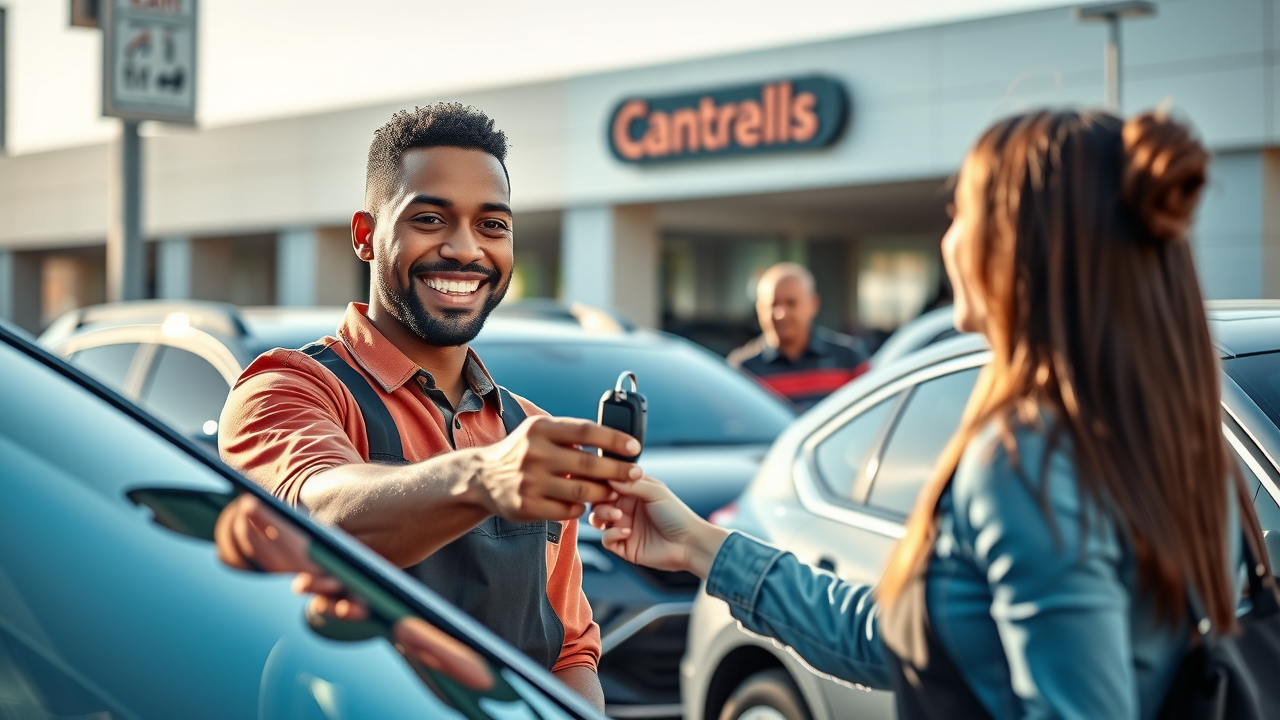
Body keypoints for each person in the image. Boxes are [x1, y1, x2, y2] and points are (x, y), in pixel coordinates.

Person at [590, 109, 1257, 719]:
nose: (949, 241)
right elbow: (892, 639)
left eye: (960, 212)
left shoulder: (1031, 459)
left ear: (1016, 243)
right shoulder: (1179, 438)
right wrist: (696, 546)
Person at [218, 103, 641, 710]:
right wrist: (486, 479)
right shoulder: (288, 388)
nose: (466, 249)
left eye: (492, 225)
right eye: (430, 218)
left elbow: (568, 653)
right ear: (366, 236)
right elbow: (315, 517)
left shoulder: (530, 430)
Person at [727, 262, 868, 410]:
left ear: (813, 305)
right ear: (759, 309)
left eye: (791, 303)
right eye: (772, 304)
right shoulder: (742, 369)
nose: (780, 314)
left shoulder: (850, 358)